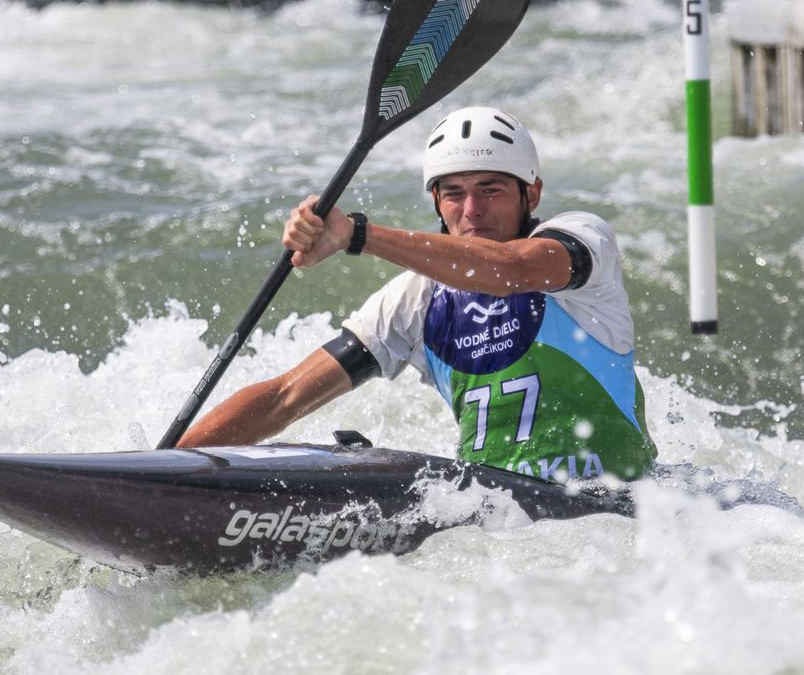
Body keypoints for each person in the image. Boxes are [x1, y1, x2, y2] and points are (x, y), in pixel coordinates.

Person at [177, 106, 657, 484]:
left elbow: (511, 269)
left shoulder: (583, 242)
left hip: (617, 506)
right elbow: (283, 399)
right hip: (501, 523)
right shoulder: (414, 299)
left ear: (531, 195)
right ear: (435, 201)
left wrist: (356, 235)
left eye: (490, 190)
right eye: (453, 193)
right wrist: (164, 470)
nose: (472, 211)